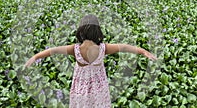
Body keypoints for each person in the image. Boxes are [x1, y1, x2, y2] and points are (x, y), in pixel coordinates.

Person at [25, 14, 158, 108]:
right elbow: (124, 47)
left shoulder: (75, 49)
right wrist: (143, 51)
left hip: (80, 89)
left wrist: (35, 57)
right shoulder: (103, 48)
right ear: (97, 31)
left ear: (81, 30)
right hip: (99, 90)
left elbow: (52, 51)